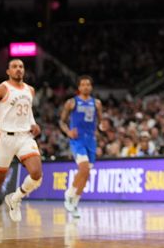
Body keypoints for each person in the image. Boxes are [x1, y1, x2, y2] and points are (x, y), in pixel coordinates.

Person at [0, 59, 43, 241]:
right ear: (8, 71)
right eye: (15, 66)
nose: (18, 69)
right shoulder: (2, 88)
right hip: (5, 137)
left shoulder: (30, 90)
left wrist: (34, 124)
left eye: (21, 66)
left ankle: (15, 197)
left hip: (24, 137)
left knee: (37, 173)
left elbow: (28, 114)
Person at [59, 75, 101, 219]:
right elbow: (61, 122)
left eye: (88, 84)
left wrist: (99, 130)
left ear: (91, 87)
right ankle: (69, 194)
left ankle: (75, 202)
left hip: (91, 141)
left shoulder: (97, 103)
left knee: (87, 174)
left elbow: (99, 122)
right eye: (83, 84)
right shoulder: (71, 103)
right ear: (79, 87)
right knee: (83, 168)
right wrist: (68, 132)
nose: (85, 87)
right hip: (77, 140)